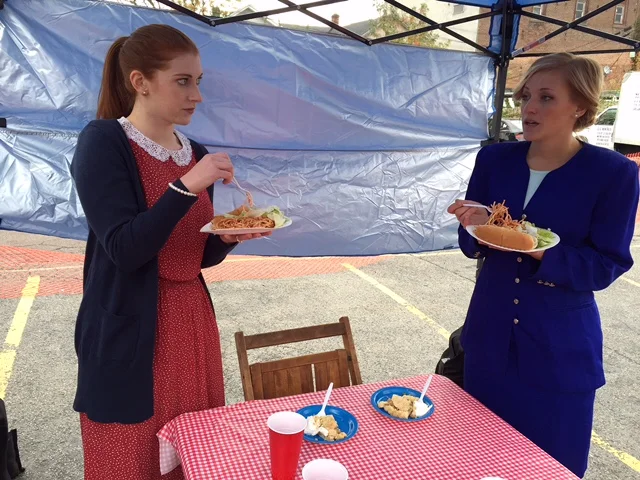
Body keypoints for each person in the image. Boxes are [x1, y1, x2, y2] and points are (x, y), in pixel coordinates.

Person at [70, 24, 269, 480]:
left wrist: (225, 238)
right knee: (130, 456)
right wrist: (186, 186)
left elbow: (191, 257)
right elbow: (124, 249)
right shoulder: (104, 142)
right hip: (129, 325)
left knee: (193, 449)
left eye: (198, 81)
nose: (196, 95)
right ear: (140, 81)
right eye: (183, 81)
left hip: (191, 321)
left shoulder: (193, 151)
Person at [448, 53, 639, 478]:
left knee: (552, 465)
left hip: (559, 348)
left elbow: (606, 264)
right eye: (525, 96)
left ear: (580, 107)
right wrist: (473, 223)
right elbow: (471, 245)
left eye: (546, 97)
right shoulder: (494, 160)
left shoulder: (613, 174)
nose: (529, 108)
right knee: (479, 459)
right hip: (488, 337)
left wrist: (538, 249)